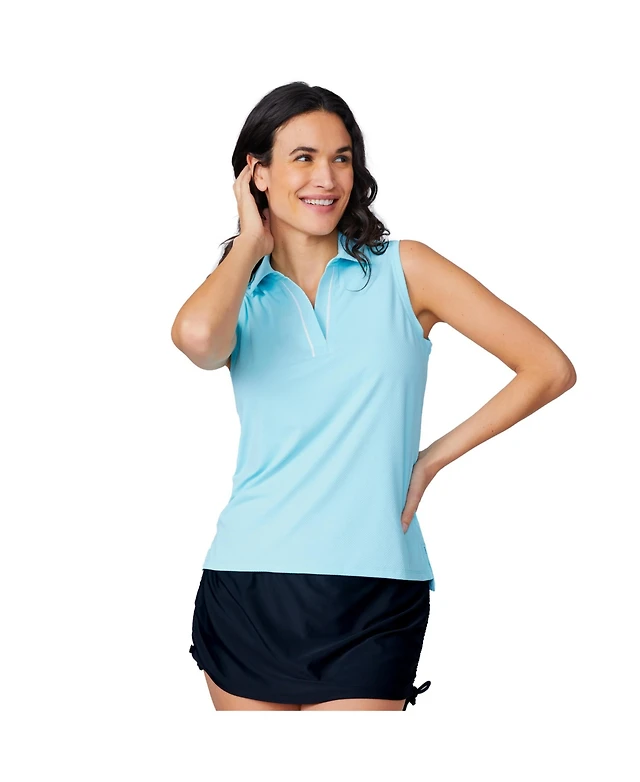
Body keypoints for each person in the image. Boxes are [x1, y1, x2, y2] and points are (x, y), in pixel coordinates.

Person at [171, 82, 576, 712]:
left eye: (341, 157)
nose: (327, 177)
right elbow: (196, 341)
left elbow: (548, 368)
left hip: (376, 586)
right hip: (248, 582)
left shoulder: (404, 269)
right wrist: (251, 242)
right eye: (303, 157)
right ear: (257, 174)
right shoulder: (236, 292)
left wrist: (431, 459)